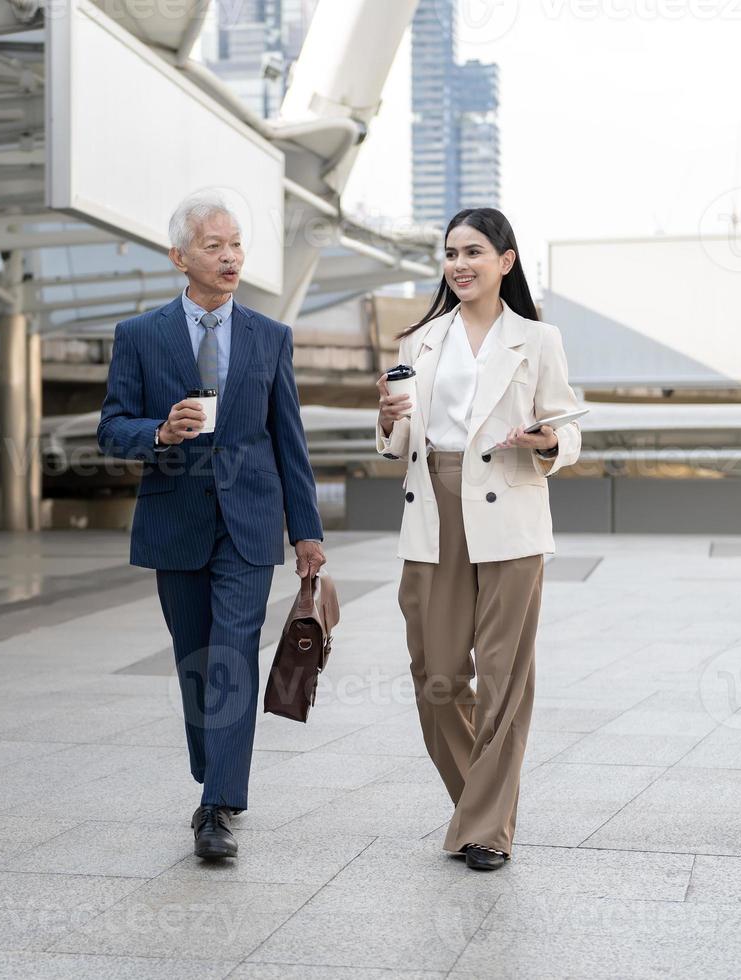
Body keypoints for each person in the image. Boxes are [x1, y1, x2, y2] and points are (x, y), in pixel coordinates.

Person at [98, 192, 327, 861]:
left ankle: (217, 805)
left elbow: (289, 439)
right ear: (180, 257)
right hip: (176, 519)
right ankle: (214, 773)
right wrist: (158, 432)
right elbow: (111, 429)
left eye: (235, 246)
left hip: (251, 522)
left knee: (232, 656)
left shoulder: (270, 336)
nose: (229, 257)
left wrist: (305, 530)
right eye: (213, 246)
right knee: (196, 663)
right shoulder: (139, 337)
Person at [375, 208, 581, 871]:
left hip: (510, 510)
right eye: (450, 253)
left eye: (473, 251)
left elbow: (564, 424)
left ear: (505, 261)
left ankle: (486, 829)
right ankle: (479, 807)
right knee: (436, 676)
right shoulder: (419, 340)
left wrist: (548, 440)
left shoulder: (537, 339)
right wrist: (387, 421)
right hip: (433, 506)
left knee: (501, 677)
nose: (459, 263)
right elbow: (400, 441)